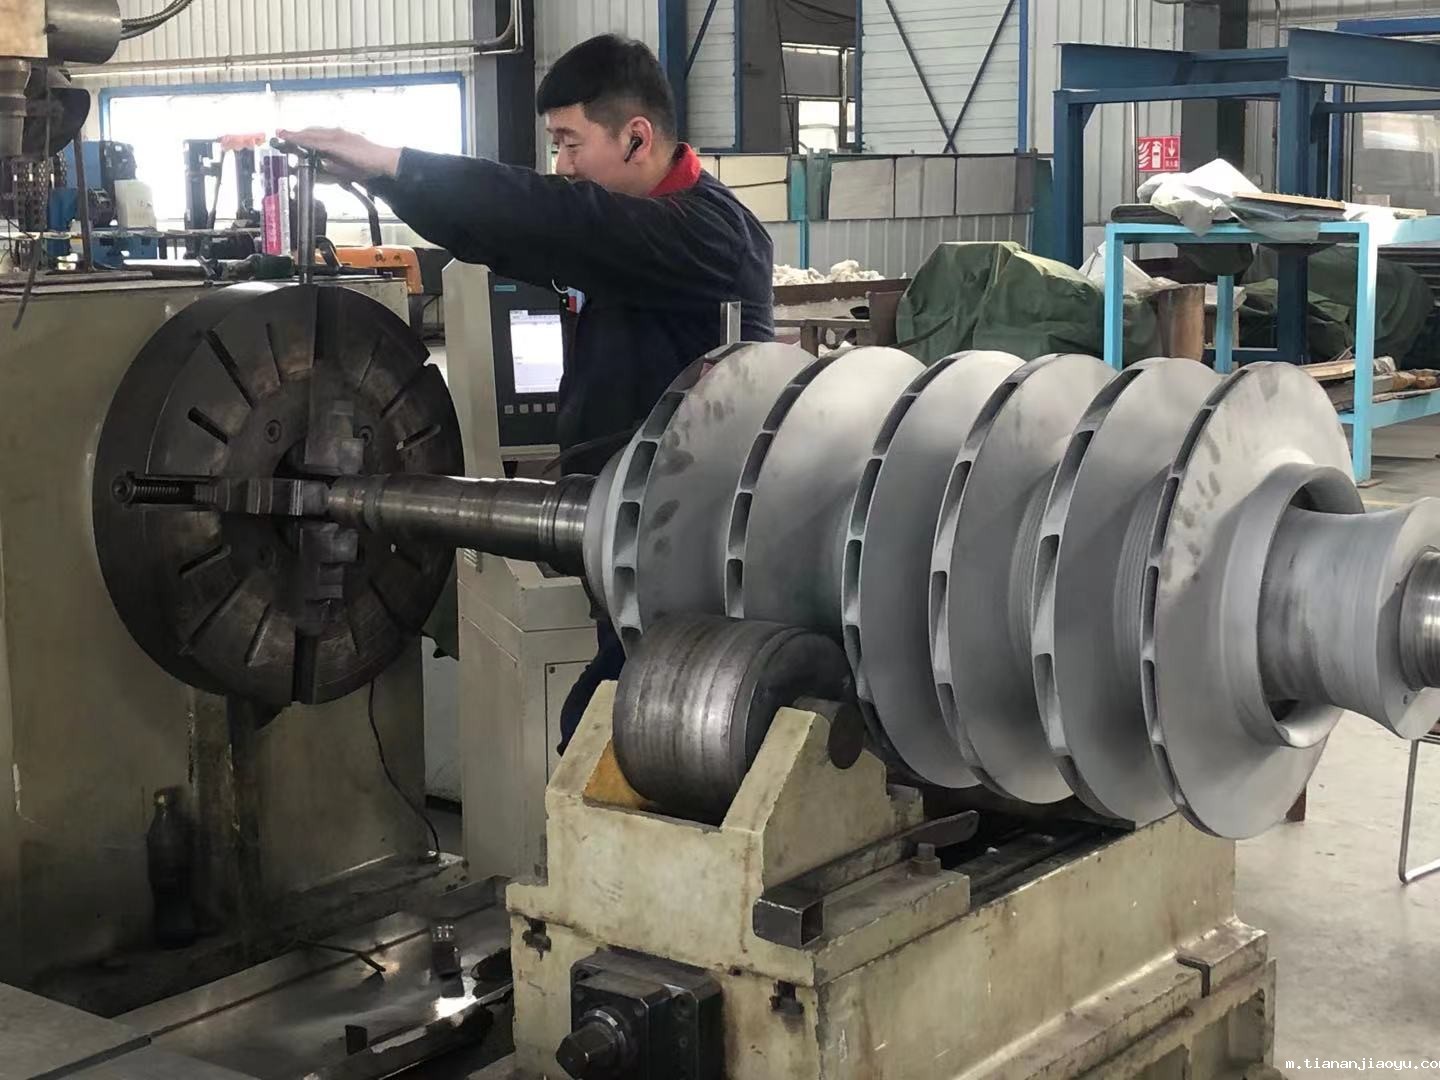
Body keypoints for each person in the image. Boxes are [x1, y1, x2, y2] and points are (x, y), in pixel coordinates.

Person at [278, 33, 774, 751]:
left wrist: (394, 159)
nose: (561, 166)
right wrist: (387, 181)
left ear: (636, 138)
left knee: (602, 741)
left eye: (571, 144)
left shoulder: (710, 235)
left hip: (694, 569)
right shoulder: (630, 233)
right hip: (628, 544)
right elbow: (508, 236)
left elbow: (557, 217)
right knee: (599, 739)